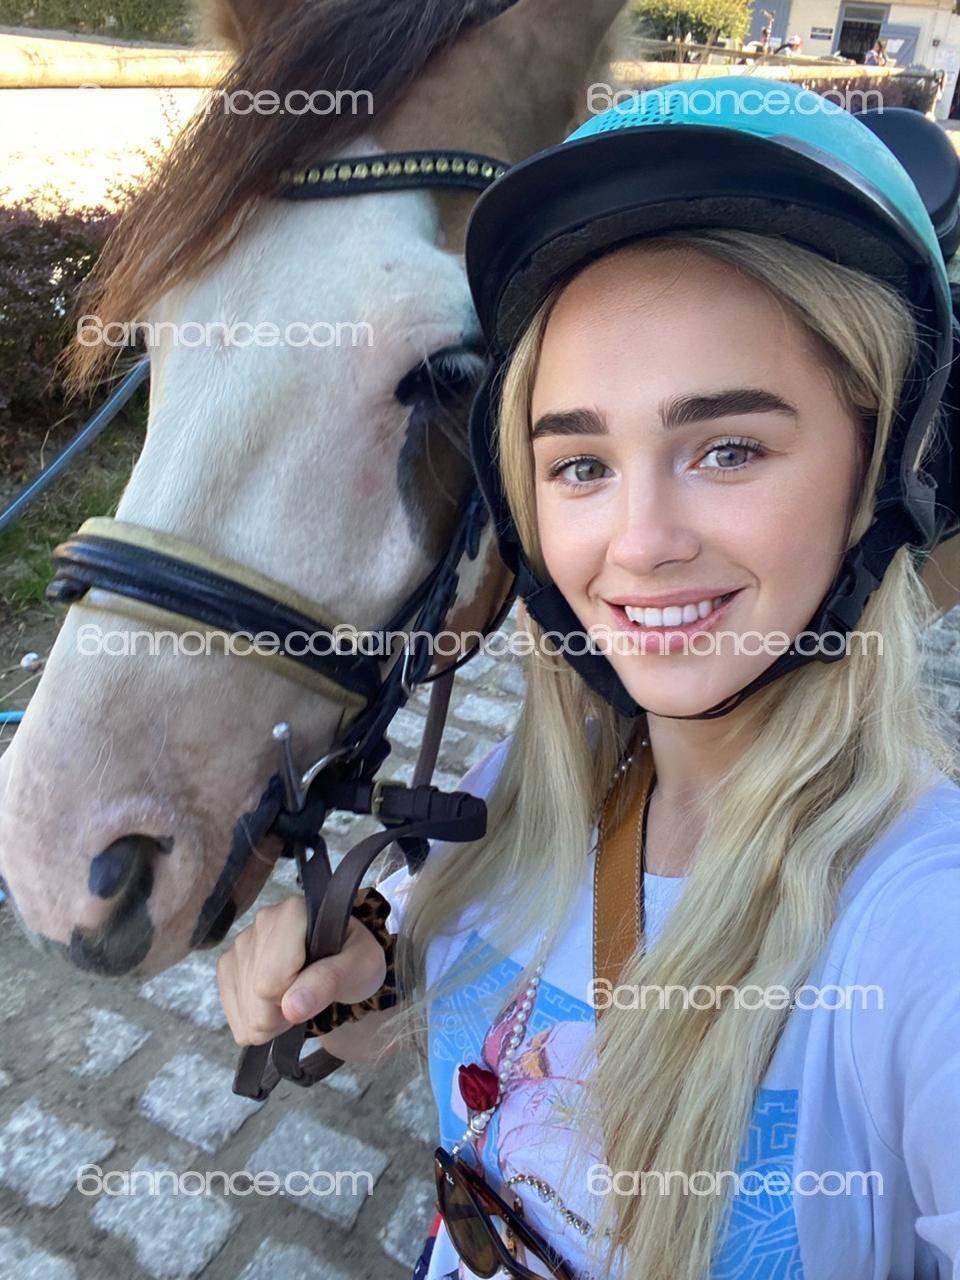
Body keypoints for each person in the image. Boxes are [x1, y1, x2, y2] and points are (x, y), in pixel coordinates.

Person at [216, 77, 960, 1280]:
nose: (639, 541)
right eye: (579, 464)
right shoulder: (528, 788)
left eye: (728, 448)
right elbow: (429, 1037)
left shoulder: (921, 927)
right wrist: (345, 981)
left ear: (879, 475)